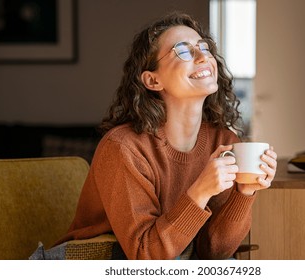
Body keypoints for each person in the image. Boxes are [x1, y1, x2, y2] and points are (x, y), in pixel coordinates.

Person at [54, 12, 277, 260]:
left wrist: (243, 193)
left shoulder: (223, 142)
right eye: (183, 51)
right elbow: (144, 256)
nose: (204, 56)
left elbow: (213, 253)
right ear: (153, 80)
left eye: (204, 47)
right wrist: (200, 192)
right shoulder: (123, 147)